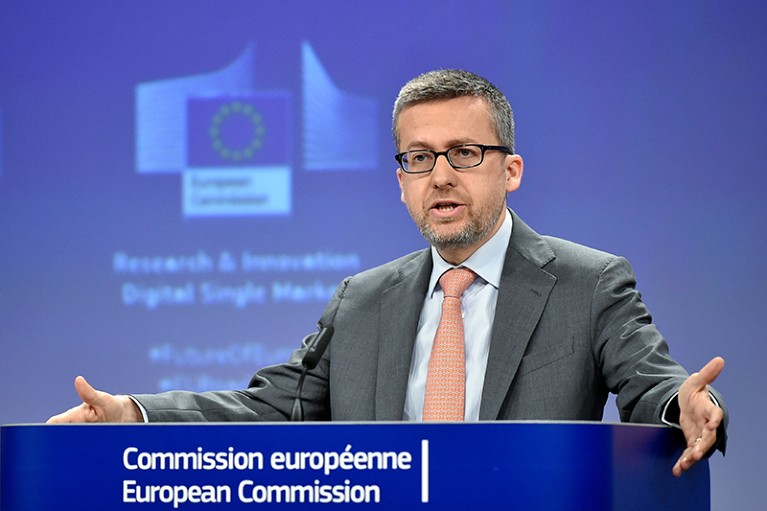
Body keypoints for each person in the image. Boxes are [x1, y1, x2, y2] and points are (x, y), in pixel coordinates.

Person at [48, 69, 727, 477]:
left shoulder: (588, 282)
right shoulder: (362, 299)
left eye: (464, 152)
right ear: (400, 182)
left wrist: (686, 405)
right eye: (418, 158)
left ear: (511, 170)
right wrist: (134, 414)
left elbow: (651, 382)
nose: (440, 175)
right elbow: (274, 408)